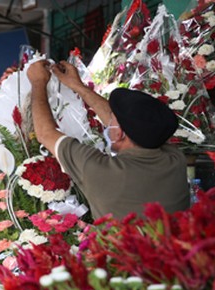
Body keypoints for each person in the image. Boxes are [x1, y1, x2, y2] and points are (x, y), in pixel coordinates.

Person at [27, 60, 190, 219]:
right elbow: (131, 127)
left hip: (118, 247)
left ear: (119, 134)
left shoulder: (101, 170)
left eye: (111, 119)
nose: (108, 121)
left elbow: (45, 133)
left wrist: (38, 83)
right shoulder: (175, 160)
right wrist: (77, 86)